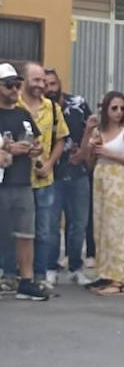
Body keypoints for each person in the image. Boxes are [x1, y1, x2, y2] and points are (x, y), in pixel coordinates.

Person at [84, 91, 124, 296]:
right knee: (101, 227)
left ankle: (119, 279)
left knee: (117, 228)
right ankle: (104, 273)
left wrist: (112, 154)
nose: (118, 112)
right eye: (114, 108)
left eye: (121, 108)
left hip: (119, 178)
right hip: (101, 177)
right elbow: (89, 163)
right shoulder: (98, 131)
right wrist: (92, 150)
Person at [14, 63, 68, 289]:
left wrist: (49, 164)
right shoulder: (11, 105)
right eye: (36, 80)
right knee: (16, 230)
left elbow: (61, 139)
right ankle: (14, 274)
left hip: (44, 179)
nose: (41, 85)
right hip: (16, 180)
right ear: (24, 80)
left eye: (43, 82)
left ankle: (40, 275)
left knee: (44, 230)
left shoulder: (53, 108)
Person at [0, 62, 49, 300]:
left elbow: (37, 142)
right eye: (9, 84)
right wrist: (8, 148)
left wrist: (33, 149)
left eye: (17, 84)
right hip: (2, 183)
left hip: (22, 183)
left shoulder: (22, 114)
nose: (14, 89)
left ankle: (26, 281)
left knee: (25, 234)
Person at [43, 70, 93, 286]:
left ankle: (76, 267)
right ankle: (50, 266)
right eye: (45, 85)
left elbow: (94, 130)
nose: (49, 89)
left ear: (60, 83)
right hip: (52, 175)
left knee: (79, 223)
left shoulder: (78, 103)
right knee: (51, 224)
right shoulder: (40, 109)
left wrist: (85, 151)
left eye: (53, 84)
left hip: (78, 174)